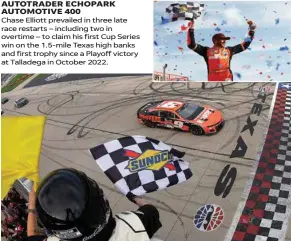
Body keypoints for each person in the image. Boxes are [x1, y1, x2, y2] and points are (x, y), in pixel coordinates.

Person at [27, 168, 162, 241]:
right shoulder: (134, 224)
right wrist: (136, 198)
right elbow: (151, 210)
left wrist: (32, 207)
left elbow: (32, 236)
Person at [187, 19, 256, 82]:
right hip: (213, 82)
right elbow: (191, 45)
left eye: (225, 40)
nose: (225, 42)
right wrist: (191, 29)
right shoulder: (206, 51)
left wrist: (252, 31)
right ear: (216, 41)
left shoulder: (229, 50)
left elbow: (245, 45)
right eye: (223, 39)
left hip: (227, 80)